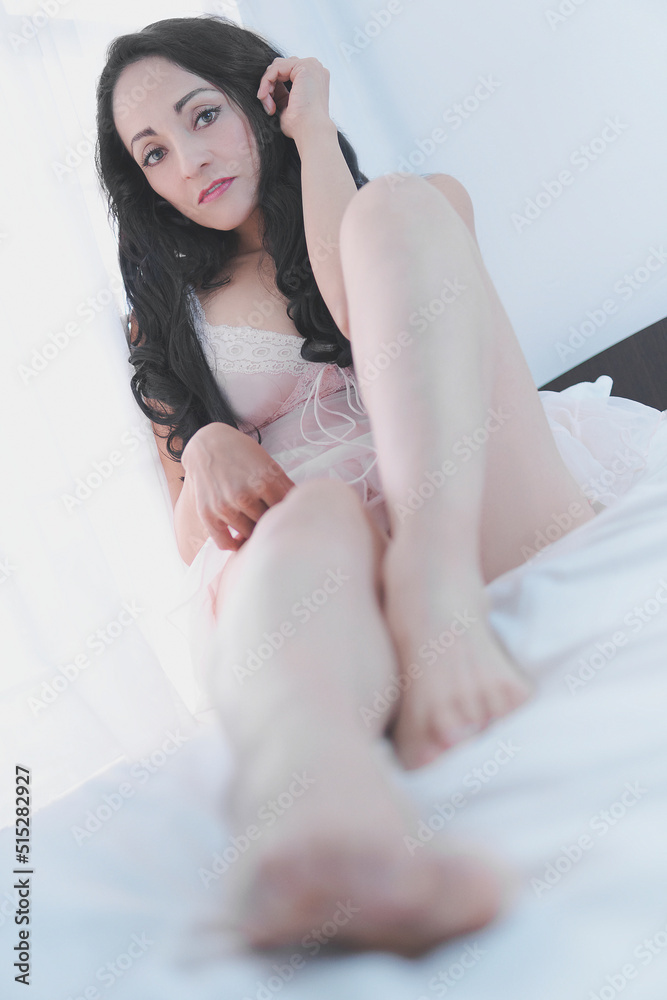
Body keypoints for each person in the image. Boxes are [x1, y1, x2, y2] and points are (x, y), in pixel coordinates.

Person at [95, 14, 603, 954]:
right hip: (322, 554)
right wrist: (204, 445)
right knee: (313, 510)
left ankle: (431, 588)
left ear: (261, 96)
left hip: (470, 504)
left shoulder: (412, 216)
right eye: (153, 152)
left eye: (203, 115)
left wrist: (312, 132)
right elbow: (192, 541)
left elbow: (347, 306)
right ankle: (320, 826)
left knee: (402, 203)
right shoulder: (163, 323)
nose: (188, 162)